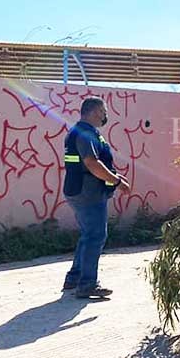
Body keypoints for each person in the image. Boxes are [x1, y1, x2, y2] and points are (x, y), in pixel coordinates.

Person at [62, 97, 131, 299]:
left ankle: (74, 278)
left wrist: (115, 176)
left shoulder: (82, 131)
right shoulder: (85, 133)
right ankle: (87, 285)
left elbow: (98, 162)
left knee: (88, 235)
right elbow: (92, 164)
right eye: (103, 111)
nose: (105, 115)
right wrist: (117, 182)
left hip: (80, 190)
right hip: (88, 193)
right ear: (95, 111)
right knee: (95, 236)